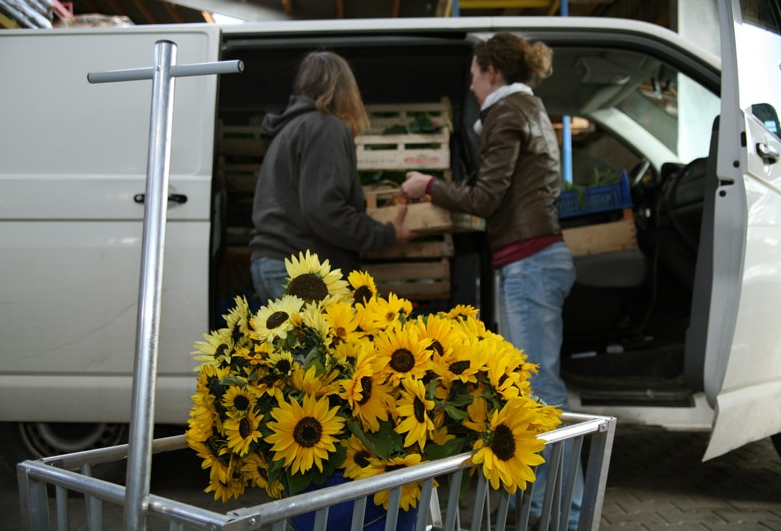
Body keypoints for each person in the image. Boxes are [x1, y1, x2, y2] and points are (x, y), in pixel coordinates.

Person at [400, 33, 582, 529]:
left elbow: (485, 198)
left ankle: (563, 514)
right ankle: (545, 507)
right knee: (537, 390)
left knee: (542, 394)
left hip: (530, 264)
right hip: (535, 259)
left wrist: (429, 185)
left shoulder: (505, 113)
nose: (474, 87)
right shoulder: (530, 109)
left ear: (493, 73)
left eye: (476, 76)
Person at [249, 51, 409, 303]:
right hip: (301, 271)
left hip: (273, 263)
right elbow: (325, 209)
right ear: (343, 89)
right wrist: (386, 234)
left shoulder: (290, 129)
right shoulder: (326, 127)